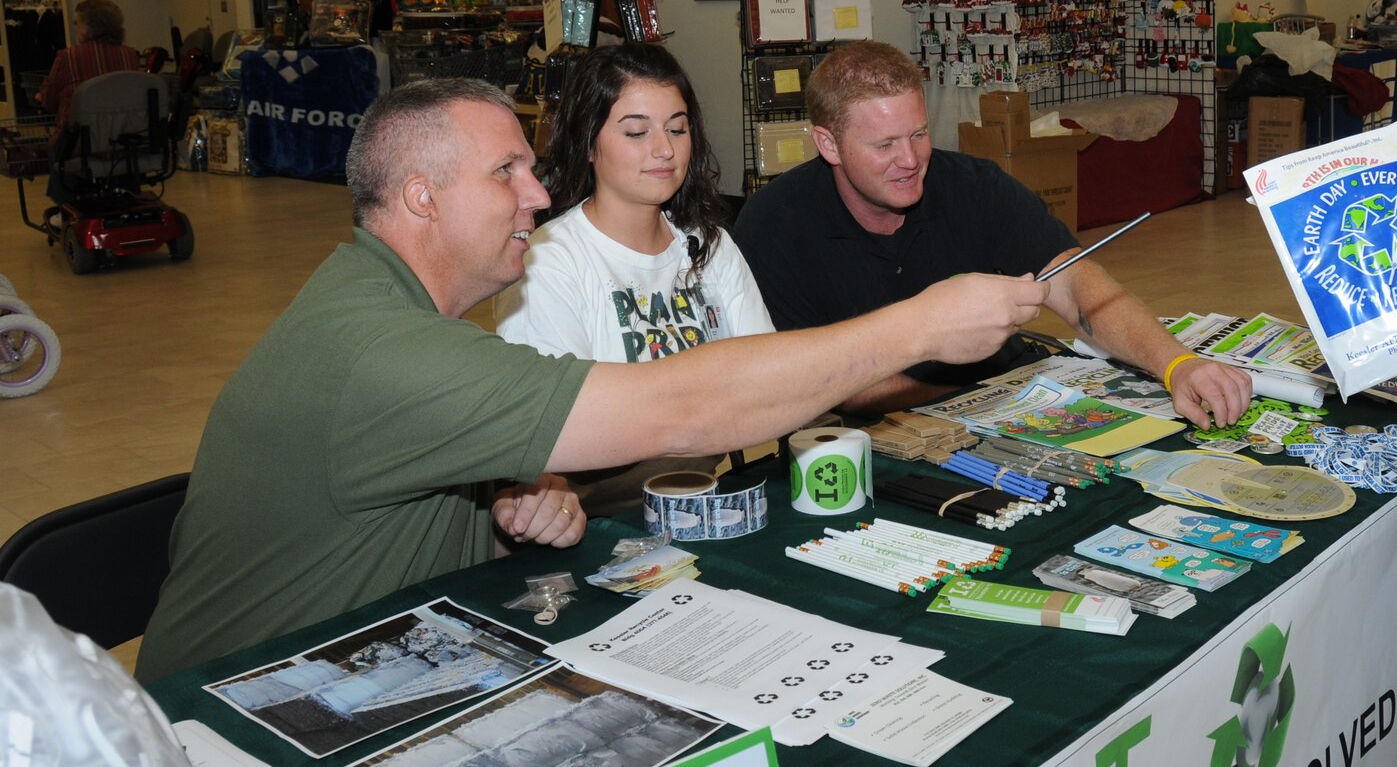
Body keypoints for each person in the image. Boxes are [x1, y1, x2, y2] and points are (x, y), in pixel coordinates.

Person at [136, 78, 1045, 679]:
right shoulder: (384, 350)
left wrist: (508, 513)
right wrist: (921, 324)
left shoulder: (378, 303)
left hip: (368, 654)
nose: (538, 194)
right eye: (507, 173)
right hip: (233, 719)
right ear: (421, 198)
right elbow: (683, 406)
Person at [732, 41, 1252, 427]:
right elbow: (835, 387)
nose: (910, 160)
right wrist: (987, 386)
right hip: (868, 439)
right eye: (884, 144)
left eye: (918, 134)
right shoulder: (775, 226)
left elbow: (1074, 283)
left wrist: (1177, 364)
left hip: (1005, 397)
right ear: (828, 144)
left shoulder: (972, 186)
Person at [494, 43, 772, 512]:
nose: (664, 150)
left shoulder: (710, 245)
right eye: (637, 132)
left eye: (678, 129)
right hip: (596, 516)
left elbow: (766, 385)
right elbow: (568, 428)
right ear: (587, 142)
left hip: (701, 501)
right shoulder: (547, 260)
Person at [39, 0, 146, 131]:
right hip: (120, 136)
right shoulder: (131, 56)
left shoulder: (68, 57)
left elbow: (50, 102)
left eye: (76, 22)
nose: (76, 27)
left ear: (87, 27)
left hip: (78, 139)